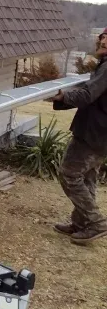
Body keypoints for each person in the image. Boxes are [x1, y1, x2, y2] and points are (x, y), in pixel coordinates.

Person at [51, 29, 107, 244]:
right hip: (100, 133)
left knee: (69, 173)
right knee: (87, 177)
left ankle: (95, 223)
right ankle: (82, 222)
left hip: (94, 132)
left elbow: (88, 95)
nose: (103, 40)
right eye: (102, 38)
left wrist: (63, 96)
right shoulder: (103, 65)